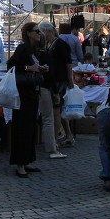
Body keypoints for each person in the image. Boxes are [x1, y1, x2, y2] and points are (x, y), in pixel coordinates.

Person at [7, 22, 48, 178]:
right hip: (23, 93)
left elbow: (31, 66)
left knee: (30, 127)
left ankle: (28, 160)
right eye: (36, 31)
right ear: (29, 33)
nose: (39, 34)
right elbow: (11, 65)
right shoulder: (22, 48)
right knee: (22, 128)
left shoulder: (33, 50)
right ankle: (20, 164)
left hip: (32, 91)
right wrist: (28, 68)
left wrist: (41, 68)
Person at [39, 20, 74, 153]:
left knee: (56, 110)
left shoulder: (59, 44)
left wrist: (70, 80)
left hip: (59, 80)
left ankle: (53, 140)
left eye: (42, 32)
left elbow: (68, 63)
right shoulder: (49, 44)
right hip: (54, 79)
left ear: (47, 31)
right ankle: (68, 136)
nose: (41, 35)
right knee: (58, 110)